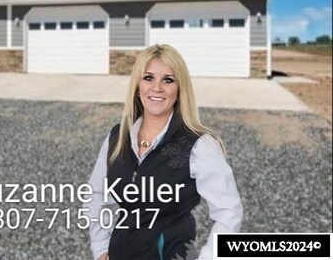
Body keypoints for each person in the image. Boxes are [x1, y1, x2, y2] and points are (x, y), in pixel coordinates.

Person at [84, 44, 242, 260]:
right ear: (137, 87)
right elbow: (97, 194)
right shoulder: (117, 137)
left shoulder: (199, 144)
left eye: (168, 80)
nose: (156, 87)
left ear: (179, 90)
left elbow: (229, 211)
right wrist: (101, 247)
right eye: (148, 78)